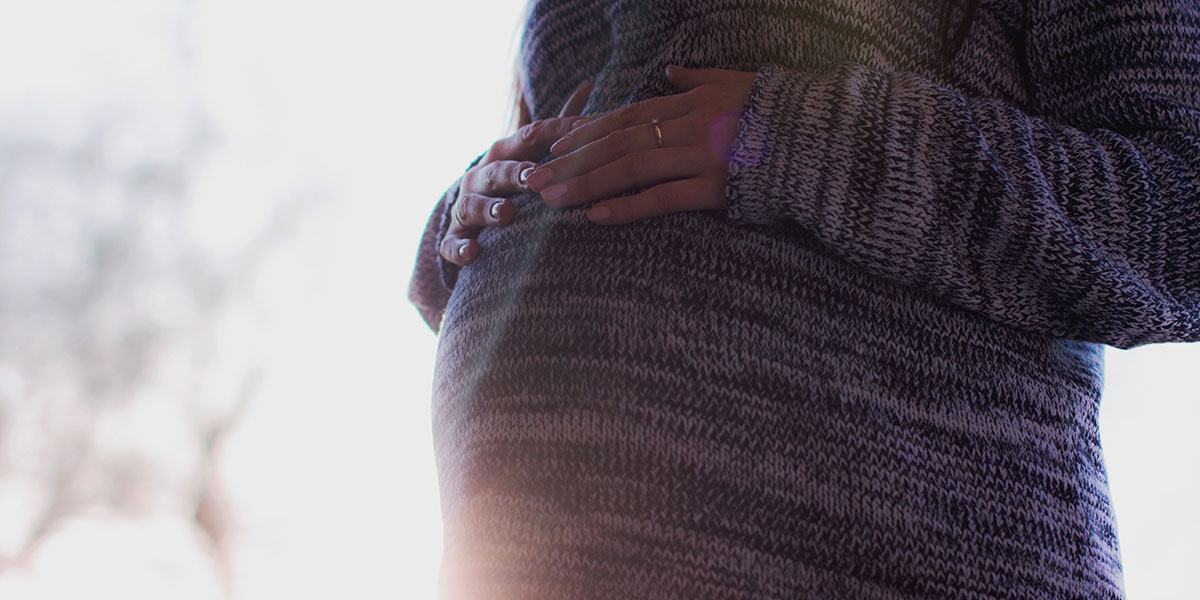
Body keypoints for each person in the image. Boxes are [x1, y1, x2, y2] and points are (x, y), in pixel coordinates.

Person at [409, 0, 1199, 597]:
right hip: (535, 541)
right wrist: (474, 213)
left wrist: (790, 139)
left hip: (903, 545)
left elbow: (1182, 214)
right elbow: (605, 124)